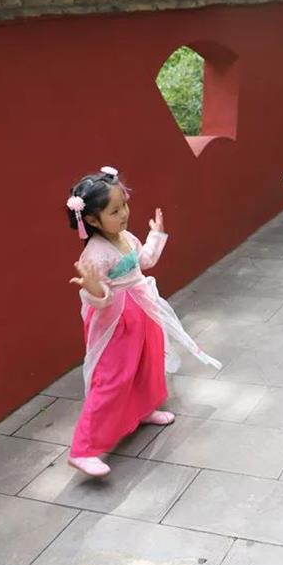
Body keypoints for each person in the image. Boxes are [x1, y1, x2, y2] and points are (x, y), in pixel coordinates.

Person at [65, 166, 221, 477]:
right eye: (114, 210)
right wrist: (96, 291)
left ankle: (143, 409)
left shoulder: (125, 236)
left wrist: (156, 234)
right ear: (92, 220)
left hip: (143, 312)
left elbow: (144, 261)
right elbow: (99, 301)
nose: (123, 214)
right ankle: (82, 449)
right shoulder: (94, 255)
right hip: (116, 322)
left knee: (148, 363)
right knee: (112, 379)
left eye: (124, 205)